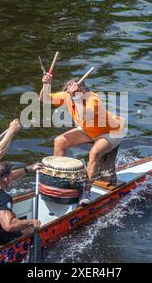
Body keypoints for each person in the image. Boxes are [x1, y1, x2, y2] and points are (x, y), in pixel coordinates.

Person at [39, 73, 125, 205]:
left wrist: (76, 98)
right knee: (59, 142)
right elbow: (44, 99)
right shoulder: (68, 96)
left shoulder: (93, 99)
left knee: (95, 152)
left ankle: (86, 190)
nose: (69, 95)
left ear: (83, 91)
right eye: (68, 92)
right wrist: (46, 84)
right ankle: (60, 181)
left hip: (112, 130)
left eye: (73, 92)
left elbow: (86, 117)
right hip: (89, 130)